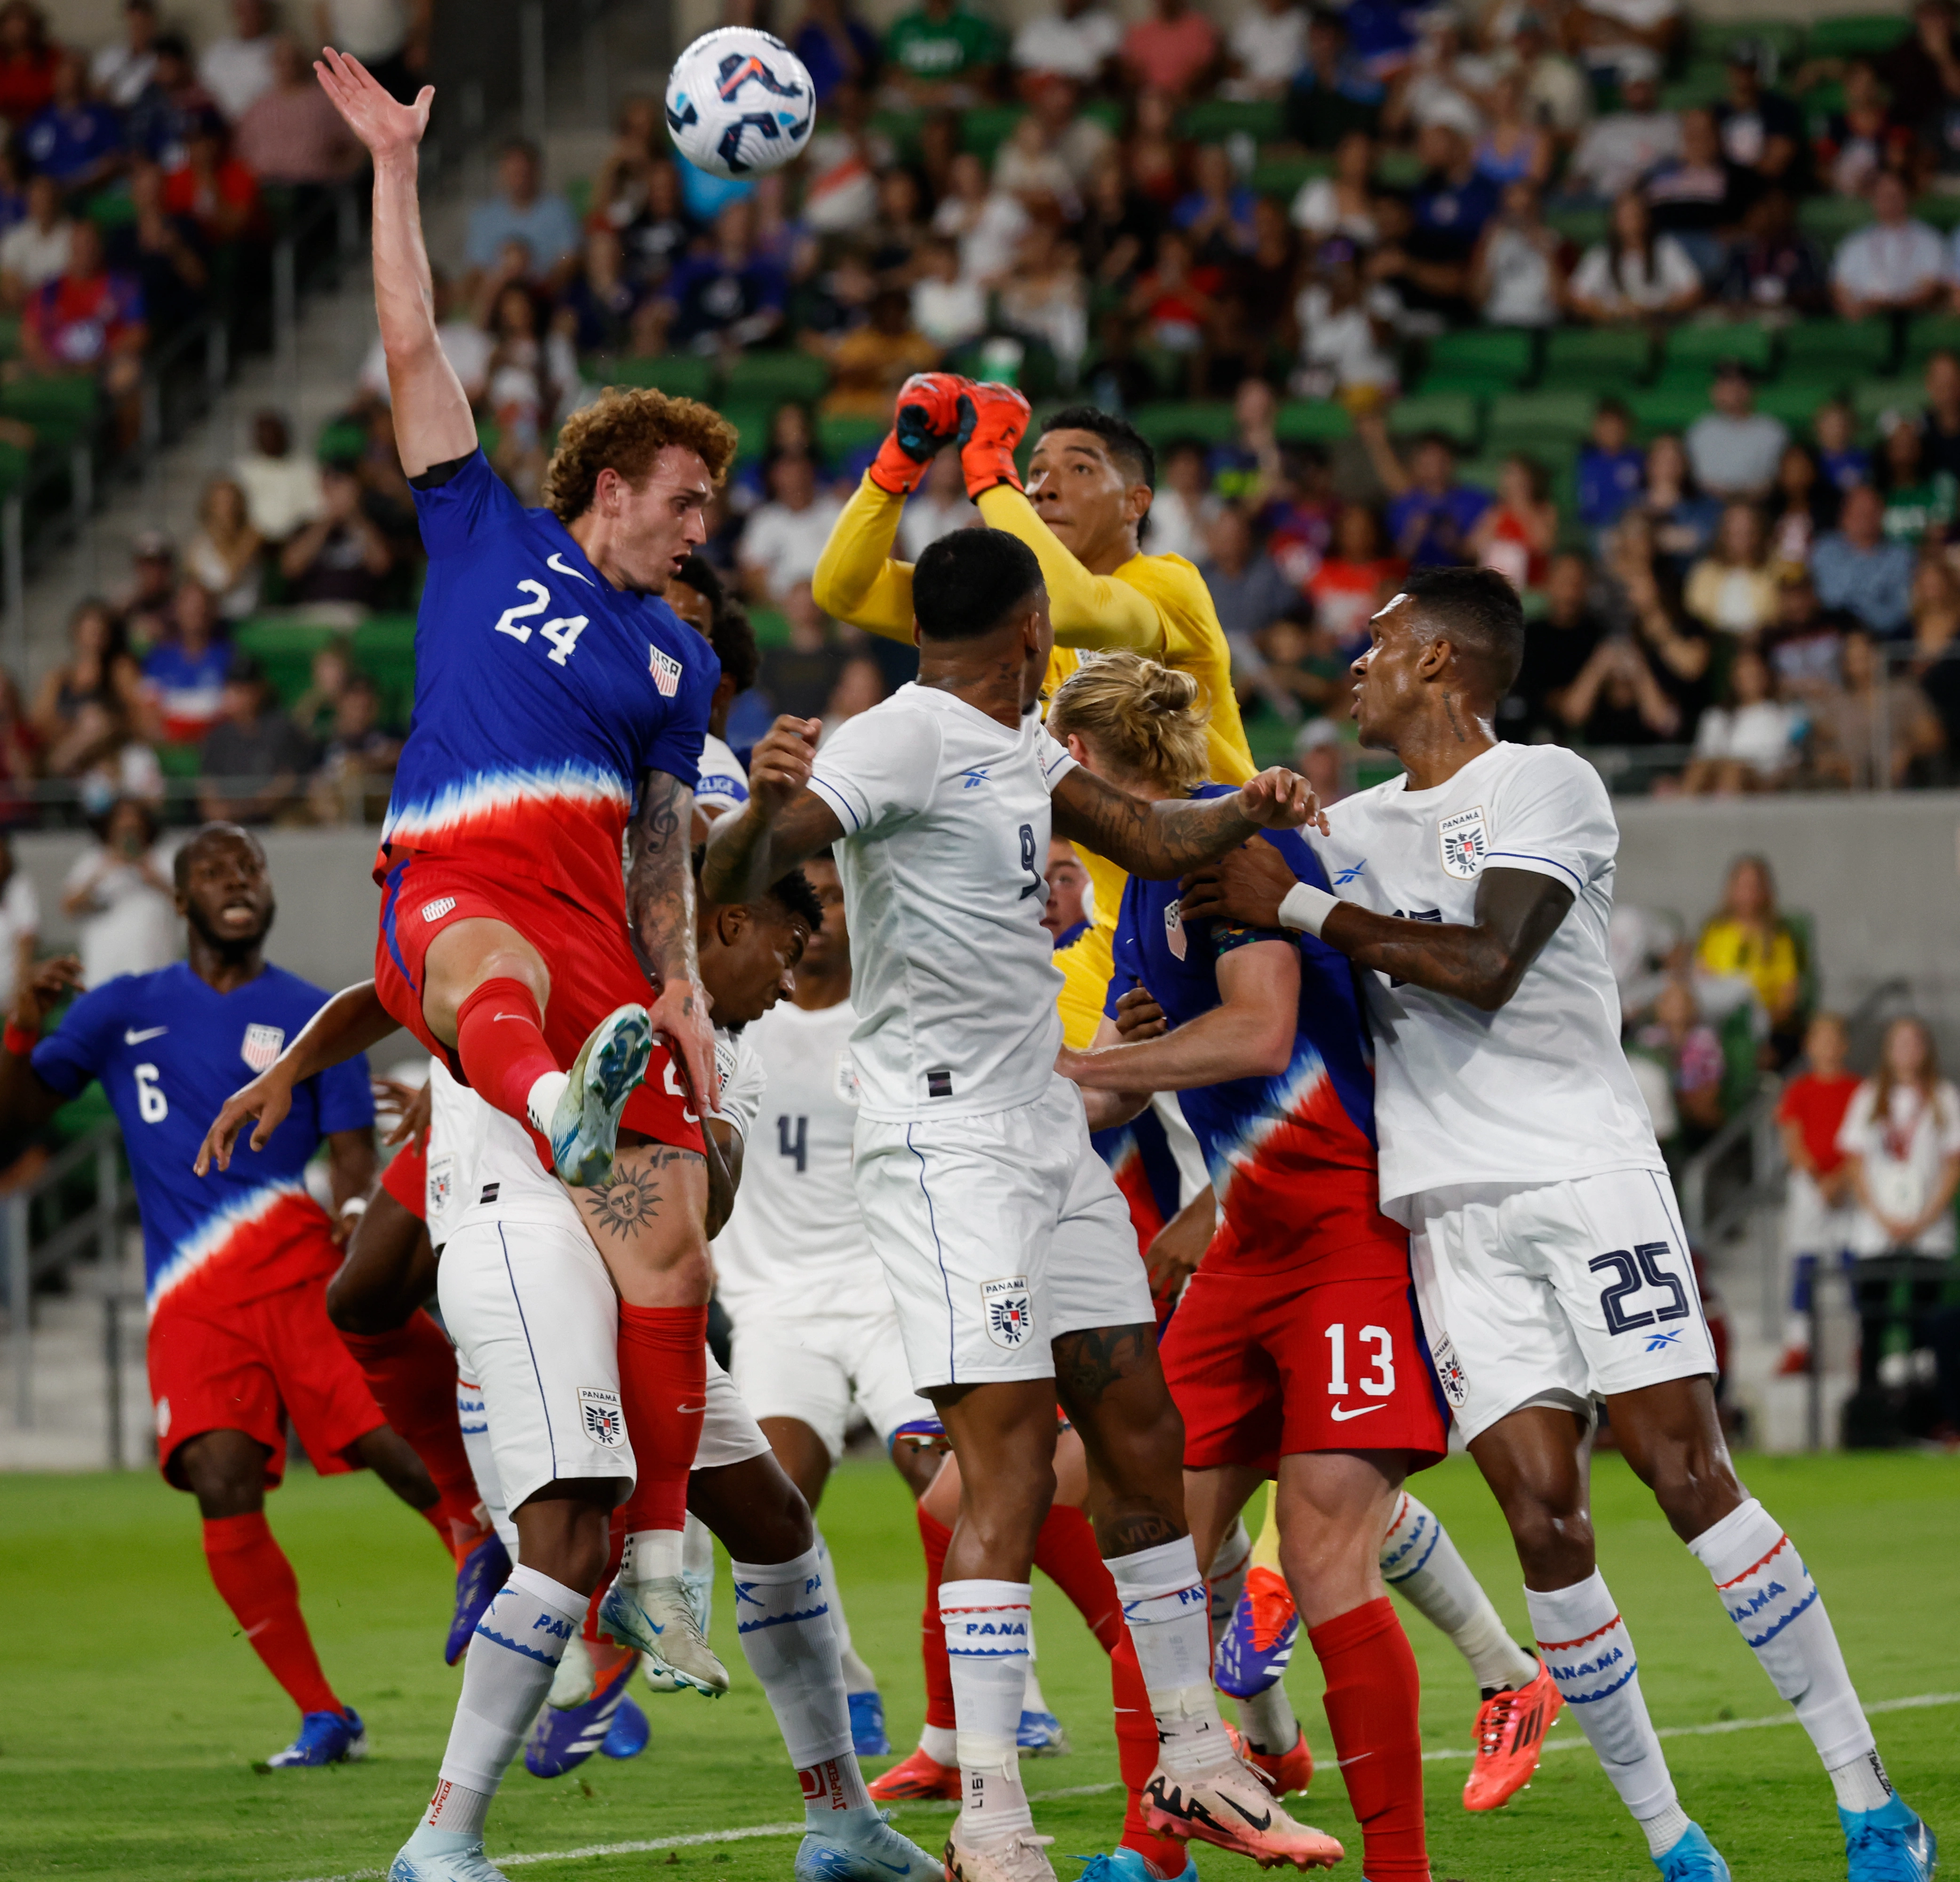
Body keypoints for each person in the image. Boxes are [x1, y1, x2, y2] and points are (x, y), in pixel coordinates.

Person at [1177, 565, 1936, 1882]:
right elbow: (1280, 977)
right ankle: (1671, 1844)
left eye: (1379, 640)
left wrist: (1295, 904)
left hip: (1581, 1174)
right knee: (1540, 1518)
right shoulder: (1346, 824)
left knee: (1686, 1475)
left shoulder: (1543, 784)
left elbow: (1481, 964)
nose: (1352, 659)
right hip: (1445, 1215)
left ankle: (1867, 1801)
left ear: (1439, 664)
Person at [704, 525, 1333, 1882]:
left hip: (1042, 1129)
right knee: (999, 1462)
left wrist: (1249, 807)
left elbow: (1150, 831)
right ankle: (991, 1813)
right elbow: (747, 868)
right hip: (944, 1148)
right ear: (1027, 626)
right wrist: (760, 808)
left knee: (1138, 1424)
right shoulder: (901, 738)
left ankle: (1193, 1757)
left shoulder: (1022, 748)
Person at [314, 46, 731, 1694]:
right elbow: (411, 338)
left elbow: (660, 841)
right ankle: (553, 1104)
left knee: (669, 1261)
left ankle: (655, 1568)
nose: (704, 526)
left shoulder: (678, 668)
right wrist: (396, 169)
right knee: (485, 959)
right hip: (453, 898)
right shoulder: (483, 527)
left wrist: (684, 985)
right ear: (612, 487)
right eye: (687, 500)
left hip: (604, 968)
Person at [1050, 654, 1556, 1882]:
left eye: (1061, 771)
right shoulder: (1142, 897)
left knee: (1325, 1554)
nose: (1045, 794)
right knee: (1153, 1548)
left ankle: (1397, 1867)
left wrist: (1082, 1072)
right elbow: (1148, 1096)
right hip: (1247, 1249)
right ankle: (1146, 1852)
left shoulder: (1233, 864)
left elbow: (1261, 1031)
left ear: (1110, 771)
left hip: (1342, 1238)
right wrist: (1093, 1080)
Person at [0, 826, 462, 1766]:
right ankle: (323, 1711)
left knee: (413, 1458)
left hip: (301, 1280)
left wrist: (359, 1209)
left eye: (250, 868)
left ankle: (553, 1640)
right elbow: (15, 1116)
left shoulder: (314, 1013)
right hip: (193, 1300)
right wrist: (20, 1024)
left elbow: (347, 1154)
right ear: (179, 900)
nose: (238, 882)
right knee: (219, 1475)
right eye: (214, 871)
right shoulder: (124, 1008)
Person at [812, 380, 1259, 1067]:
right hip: (1121, 937)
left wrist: (993, 469)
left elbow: (1078, 607)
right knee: (988, 1084)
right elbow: (842, 591)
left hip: (1236, 898)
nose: (1045, 487)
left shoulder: (1169, 586)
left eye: (1078, 468)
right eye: (1038, 469)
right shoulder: (1020, 620)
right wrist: (901, 462)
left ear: (1137, 501)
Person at [712, 849, 942, 1753]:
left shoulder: (893, 1018)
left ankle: (1007, 1690)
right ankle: (846, 1680)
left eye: (842, 895)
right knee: (776, 1499)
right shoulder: (736, 1023)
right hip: (775, 1309)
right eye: (812, 900)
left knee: (946, 1482)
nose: (825, 915)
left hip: (888, 1296)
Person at [1775, 1012, 1861, 1375]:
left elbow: (1863, 1141)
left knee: (1852, 1263)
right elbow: (1792, 1140)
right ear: (1809, 1046)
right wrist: (1818, 1179)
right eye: (1820, 1039)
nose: (1827, 1047)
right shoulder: (1799, 1090)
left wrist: (1839, 1179)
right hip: (1810, 1187)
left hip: (1850, 1184)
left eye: (1834, 1039)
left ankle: (1861, 1344)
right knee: (1805, 1264)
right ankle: (1800, 1344)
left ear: (1844, 1045)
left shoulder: (1860, 1090)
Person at [61, 797, 176, 987]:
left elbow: (188, 905)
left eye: (135, 822)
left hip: (154, 971)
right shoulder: (92, 861)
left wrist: (153, 878)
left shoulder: (164, 858)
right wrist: (102, 872)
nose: (128, 827)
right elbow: (69, 907)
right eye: (122, 822)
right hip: (102, 974)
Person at [198, 657, 316, 827]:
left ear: (259, 690)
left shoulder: (282, 730)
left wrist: (249, 807)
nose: (240, 696)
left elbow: (289, 782)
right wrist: (226, 812)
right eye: (235, 689)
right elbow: (208, 791)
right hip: (229, 824)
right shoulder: (218, 738)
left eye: (246, 689)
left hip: (275, 823)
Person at [1568, 191, 1701, 323]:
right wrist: (1608, 315)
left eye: (1635, 215)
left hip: (1658, 325)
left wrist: (1657, 312)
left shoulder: (1665, 249)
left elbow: (1693, 290)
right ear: (1614, 221)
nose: (1631, 223)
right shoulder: (1601, 254)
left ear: (1646, 219)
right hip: (1612, 330)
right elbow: (1578, 297)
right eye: (1625, 217)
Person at [1830, 173, 1947, 321]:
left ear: (1908, 197)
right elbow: (1840, 289)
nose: (1890, 203)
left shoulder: (1930, 240)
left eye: (1895, 196)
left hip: (1912, 320)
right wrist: (1858, 309)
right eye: (1883, 196)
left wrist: (1889, 307)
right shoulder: (1854, 243)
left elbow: (1931, 289)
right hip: (1863, 324)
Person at [1810, 486, 1916, 638]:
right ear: (1844, 515)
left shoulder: (1901, 556)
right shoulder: (1823, 551)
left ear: (1882, 515)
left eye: (1871, 512)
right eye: (1859, 512)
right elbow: (1824, 599)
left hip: (1882, 639)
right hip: (1829, 637)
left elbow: (1899, 612)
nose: (1865, 518)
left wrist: (1858, 618)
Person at [1685, 363, 1787, 502]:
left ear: (1753, 390)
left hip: (1761, 504)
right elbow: (1696, 479)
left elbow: (1778, 479)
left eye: (1740, 385)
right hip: (1709, 504)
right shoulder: (1700, 430)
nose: (1733, 391)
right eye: (1727, 385)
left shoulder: (1773, 430)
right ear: (1715, 391)